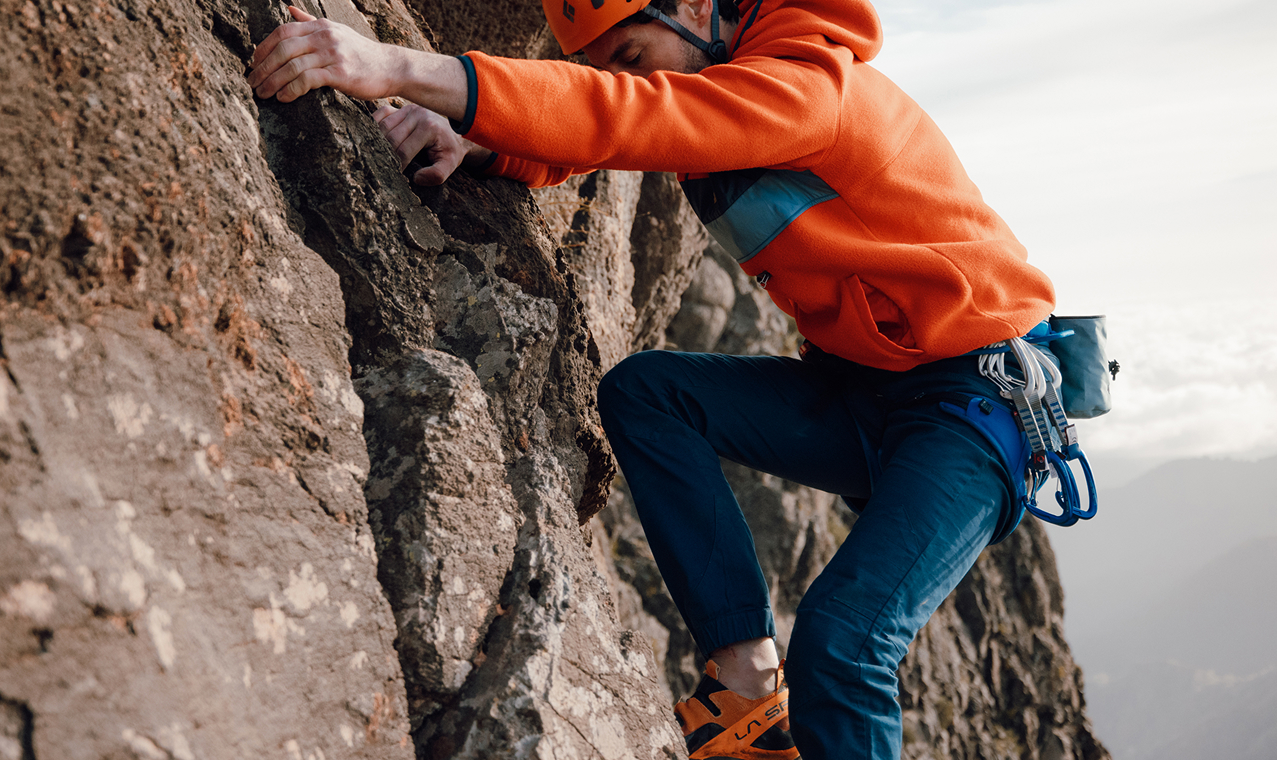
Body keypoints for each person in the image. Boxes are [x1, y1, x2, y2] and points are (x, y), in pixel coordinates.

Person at [249, 0, 1060, 758]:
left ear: (698, 8)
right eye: (607, 63)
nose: (626, 76)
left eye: (632, 52)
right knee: (647, 393)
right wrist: (484, 141)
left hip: (975, 406)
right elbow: (606, 125)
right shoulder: (716, 89)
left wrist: (396, 67)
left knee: (846, 642)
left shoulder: (811, 91)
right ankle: (745, 679)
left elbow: (631, 117)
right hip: (867, 395)